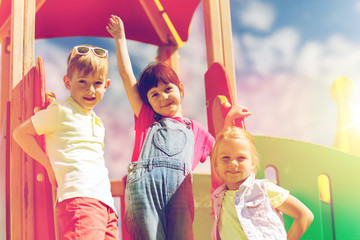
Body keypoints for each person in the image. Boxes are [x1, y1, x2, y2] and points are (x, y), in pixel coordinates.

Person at [106, 15, 250, 240]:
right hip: (145, 196)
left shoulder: (196, 130)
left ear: (180, 89)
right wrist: (120, 37)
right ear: (148, 102)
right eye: (154, 95)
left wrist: (229, 119)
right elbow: (127, 76)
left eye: (167, 89)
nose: (162, 97)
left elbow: (223, 147)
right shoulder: (146, 118)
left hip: (179, 198)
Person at [13, 45, 119, 240]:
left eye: (97, 83)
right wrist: (47, 163)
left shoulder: (97, 121)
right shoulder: (61, 111)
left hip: (106, 203)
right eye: (82, 82)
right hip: (80, 197)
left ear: (106, 85)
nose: (90, 89)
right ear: (67, 82)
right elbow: (20, 133)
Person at [210, 126, 314, 240]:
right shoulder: (218, 197)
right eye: (225, 158)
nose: (233, 163)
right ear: (216, 164)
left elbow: (305, 215)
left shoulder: (263, 189)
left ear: (253, 163)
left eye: (241, 158)